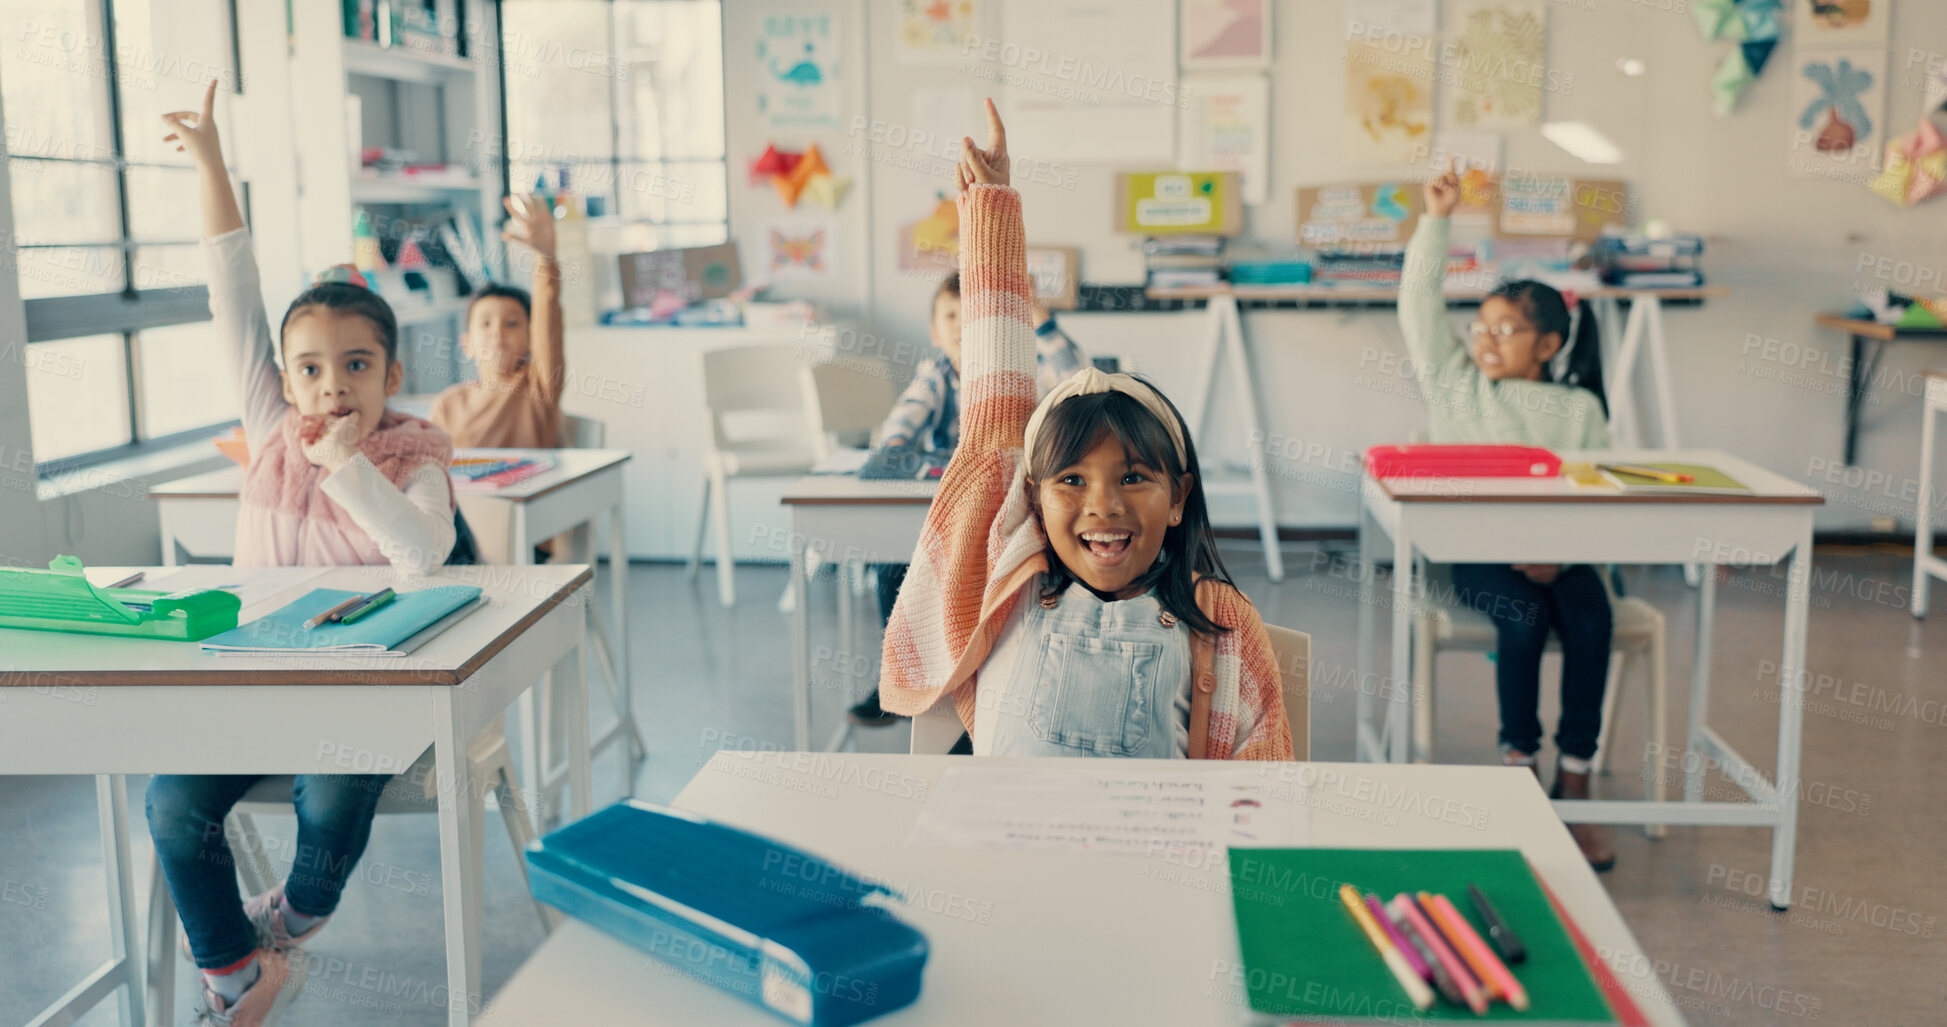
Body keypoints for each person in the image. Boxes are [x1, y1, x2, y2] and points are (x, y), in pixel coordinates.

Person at [148, 81, 459, 1025]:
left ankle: (291, 916)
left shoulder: (414, 455)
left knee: (329, 799)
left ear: (392, 375)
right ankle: (238, 972)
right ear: (283, 378)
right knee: (170, 804)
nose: (331, 389)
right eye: (311, 369)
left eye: (357, 366)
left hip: (358, 695)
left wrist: (346, 469)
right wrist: (209, 162)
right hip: (248, 687)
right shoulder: (267, 420)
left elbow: (422, 560)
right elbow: (229, 283)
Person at [876, 99, 1292, 760]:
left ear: (1179, 495)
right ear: (1030, 497)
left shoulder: (1221, 618)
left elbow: (1260, 785)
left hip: (1156, 857)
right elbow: (993, 419)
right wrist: (989, 208)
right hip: (1008, 858)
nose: (1103, 503)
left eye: (1133, 476)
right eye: (1070, 479)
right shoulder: (1008, 578)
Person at [1404, 156, 1616, 869]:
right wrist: (1436, 219)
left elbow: (1599, 491)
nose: (1484, 339)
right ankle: (1519, 765)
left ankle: (1576, 773)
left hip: (1565, 551)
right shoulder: (1455, 388)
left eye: (1506, 330)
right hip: (1481, 554)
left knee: (1591, 616)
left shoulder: (1581, 409)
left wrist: (1560, 551)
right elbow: (1417, 305)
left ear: (1548, 346)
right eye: (1482, 326)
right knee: (1521, 615)